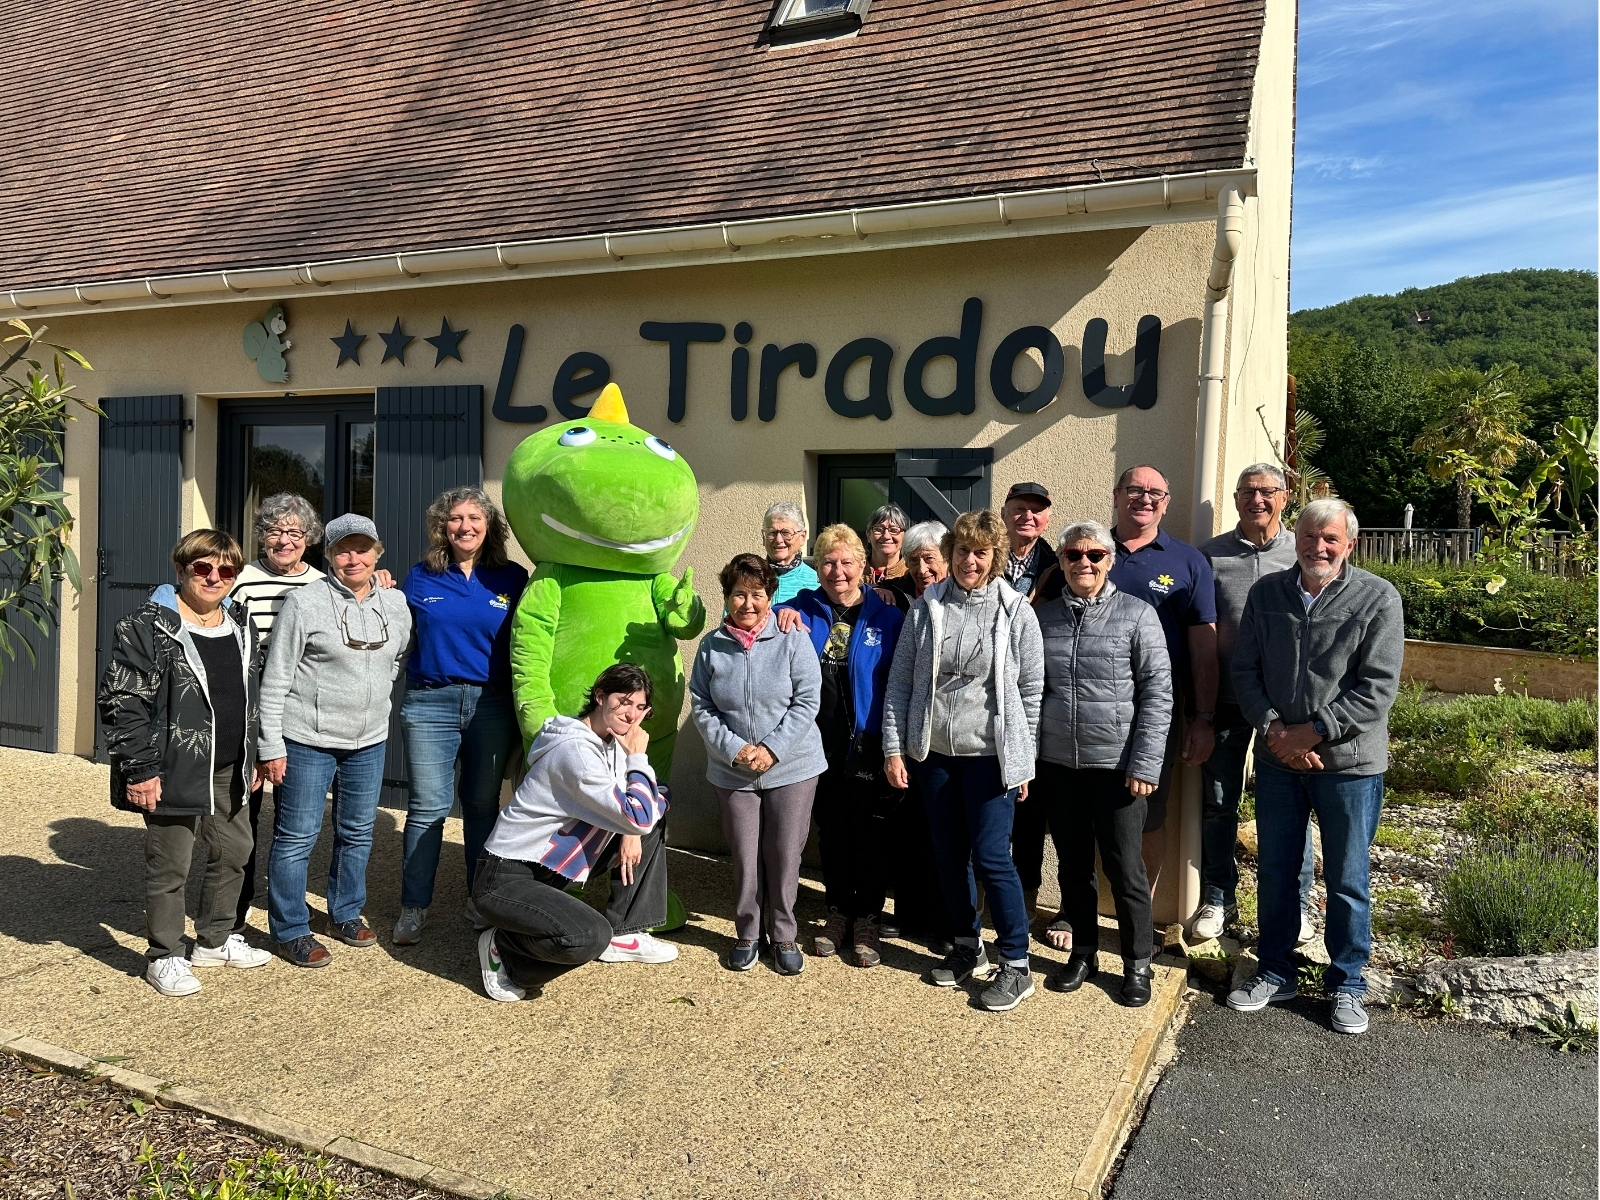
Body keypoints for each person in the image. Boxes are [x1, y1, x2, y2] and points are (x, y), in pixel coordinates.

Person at [1227, 498, 1404, 1037]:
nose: (1317, 547)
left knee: (1348, 878)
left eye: (1330, 538)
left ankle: (1347, 984)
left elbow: (1377, 687)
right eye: (1308, 536)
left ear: (1349, 544)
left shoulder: (1377, 597)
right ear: (1294, 538)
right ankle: (1276, 970)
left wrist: (1315, 731)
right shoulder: (1267, 594)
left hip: (1349, 765)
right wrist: (1277, 731)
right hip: (1281, 761)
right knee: (1278, 871)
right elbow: (1245, 669)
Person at [883, 509, 1044, 1013]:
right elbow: (901, 683)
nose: (969, 561)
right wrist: (894, 746)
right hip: (935, 756)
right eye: (961, 550)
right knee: (948, 857)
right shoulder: (925, 609)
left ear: (994, 557)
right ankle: (965, 946)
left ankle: (1016, 964)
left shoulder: (1016, 612)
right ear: (948, 553)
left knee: (994, 858)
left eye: (980, 552)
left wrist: (1023, 760)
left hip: (991, 757)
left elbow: (1032, 691)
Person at [99, 530, 271, 997]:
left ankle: (215, 939)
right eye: (203, 567)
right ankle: (164, 954)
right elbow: (122, 701)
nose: (215, 577)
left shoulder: (240, 622)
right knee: (170, 864)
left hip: (231, 765)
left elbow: (249, 695)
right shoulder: (147, 625)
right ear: (182, 569)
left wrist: (253, 753)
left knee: (235, 853)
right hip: (171, 764)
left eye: (226, 570)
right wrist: (139, 769)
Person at [258, 514, 413, 967]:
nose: (353, 558)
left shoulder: (396, 604)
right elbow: (277, 675)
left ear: (377, 553)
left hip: (369, 740)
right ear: (327, 555)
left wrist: (370, 698)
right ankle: (289, 929)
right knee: (297, 836)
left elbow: (397, 657)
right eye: (343, 549)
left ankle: (344, 911)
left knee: (357, 831)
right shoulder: (305, 603)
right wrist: (271, 744)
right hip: (307, 737)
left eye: (363, 548)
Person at [472, 664, 677, 1001]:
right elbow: (639, 808)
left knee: (648, 827)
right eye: (624, 702)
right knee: (589, 935)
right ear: (599, 696)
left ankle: (626, 932)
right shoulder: (576, 753)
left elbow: (659, 794)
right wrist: (639, 760)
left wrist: (632, 830)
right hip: (505, 877)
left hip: (549, 865)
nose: (632, 715)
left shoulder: (610, 742)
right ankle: (504, 951)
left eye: (641, 707)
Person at [1031, 521, 1172, 1006]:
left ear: (1109, 561)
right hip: (1057, 765)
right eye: (1074, 555)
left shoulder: (1137, 616)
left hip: (1117, 769)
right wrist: (1027, 762)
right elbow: (1030, 694)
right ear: (1063, 561)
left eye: (1094, 554)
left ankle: (1136, 964)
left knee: (1124, 867)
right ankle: (1084, 953)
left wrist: (1146, 763)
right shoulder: (1043, 619)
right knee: (1072, 865)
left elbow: (1158, 693)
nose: (1084, 563)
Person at [393, 487, 529, 946]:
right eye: (455, 518)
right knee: (428, 808)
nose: (464, 526)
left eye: (474, 517)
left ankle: (481, 899)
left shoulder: (512, 578)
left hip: (491, 705)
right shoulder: (419, 577)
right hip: (430, 702)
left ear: (489, 526)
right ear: (442, 526)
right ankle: (414, 906)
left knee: (481, 807)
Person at [1196, 465, 1316, 944]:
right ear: (1236, 498)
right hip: (1226, 700)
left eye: (1267, 492)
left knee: (1287, 808)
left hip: (1285, 708)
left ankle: (1296, 905)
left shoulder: (1304, 552)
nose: (1257, 500)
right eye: (1247, 492)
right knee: (1219, 802)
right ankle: (1217, 896)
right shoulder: (1211, 557)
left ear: (1284, 498)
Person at [689, 554, 825, 974]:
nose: (748, 603)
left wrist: (772, 748)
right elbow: (701, 704)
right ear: (726, 597)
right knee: (746, 855)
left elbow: (807, 700)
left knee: (785, 853)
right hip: (733, 769)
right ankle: (748, 931)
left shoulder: (792, 637)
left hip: (792, 766)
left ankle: (783, 933)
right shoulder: (712, 645)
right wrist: (734, 748)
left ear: (771, 598)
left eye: (757, 595)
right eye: (738, 594)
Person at [776, 525, 904, 968]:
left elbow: (898, 684)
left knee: (869, 831)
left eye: (847, 562)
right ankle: (836, 912)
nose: (837, 571)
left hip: (867, 742)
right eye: (828, 562)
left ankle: (867, 916)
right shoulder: (798, 610)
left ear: (863, 568)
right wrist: (783, 613)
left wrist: (893, 745)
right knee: (830, 829)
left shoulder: (888, 616)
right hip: (814, 744)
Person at [1106, 464, 1217, 912]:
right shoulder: (1088, 549)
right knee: (1092, 812)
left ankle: (1141, 915)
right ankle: (1080, 912)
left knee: (1148, 814)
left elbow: (1203, 646)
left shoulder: (1188, 561)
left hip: (1157, 712)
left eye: (1156, 492)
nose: (1145, 498)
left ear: (1167, 503)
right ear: (1117, 495)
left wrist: (1203, 717)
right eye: (1135, 489)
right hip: (1086, 710)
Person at [227, 493, 323, 933]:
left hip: (298, 711)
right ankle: (236, 905)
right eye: (274, 532)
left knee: (294, 819)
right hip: (248, 708)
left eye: (294, 532)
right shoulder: (239, 580)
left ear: (309, 538)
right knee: (242, 813)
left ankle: (285, 905)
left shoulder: (323, 585)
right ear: (261, 537)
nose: (284, 540)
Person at [1000, 482, 1061, 603]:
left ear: (1048, 521)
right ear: (1003, 515)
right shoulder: (981, 558)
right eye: (1019, 509)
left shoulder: (1057, 568)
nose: (1028, 516)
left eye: (1036, 510)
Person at [762, 500, 818, 603]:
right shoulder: (749, 578)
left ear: (802, 537)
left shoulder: (816, 583)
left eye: (786, 533)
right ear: (763, 536)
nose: (779, 540)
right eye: (772, 533)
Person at [866, 503, 914, 609]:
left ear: (904, 536)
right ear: (868, 535)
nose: (886, 536)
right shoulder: (853, 570)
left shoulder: (911, 573)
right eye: (878, 529)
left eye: (894, 530)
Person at [901, 521, 949, 598]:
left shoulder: (964, 593)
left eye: (929, 558)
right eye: (914, 560)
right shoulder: (896, 594)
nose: (922, 570)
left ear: (947, 558)